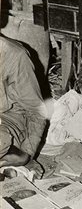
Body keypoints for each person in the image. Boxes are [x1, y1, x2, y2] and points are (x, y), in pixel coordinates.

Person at [0, 35, 48, 179]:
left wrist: (27, 154)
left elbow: (37, 111)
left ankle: (15, 155)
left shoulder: (14, 55)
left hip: (7, 119)